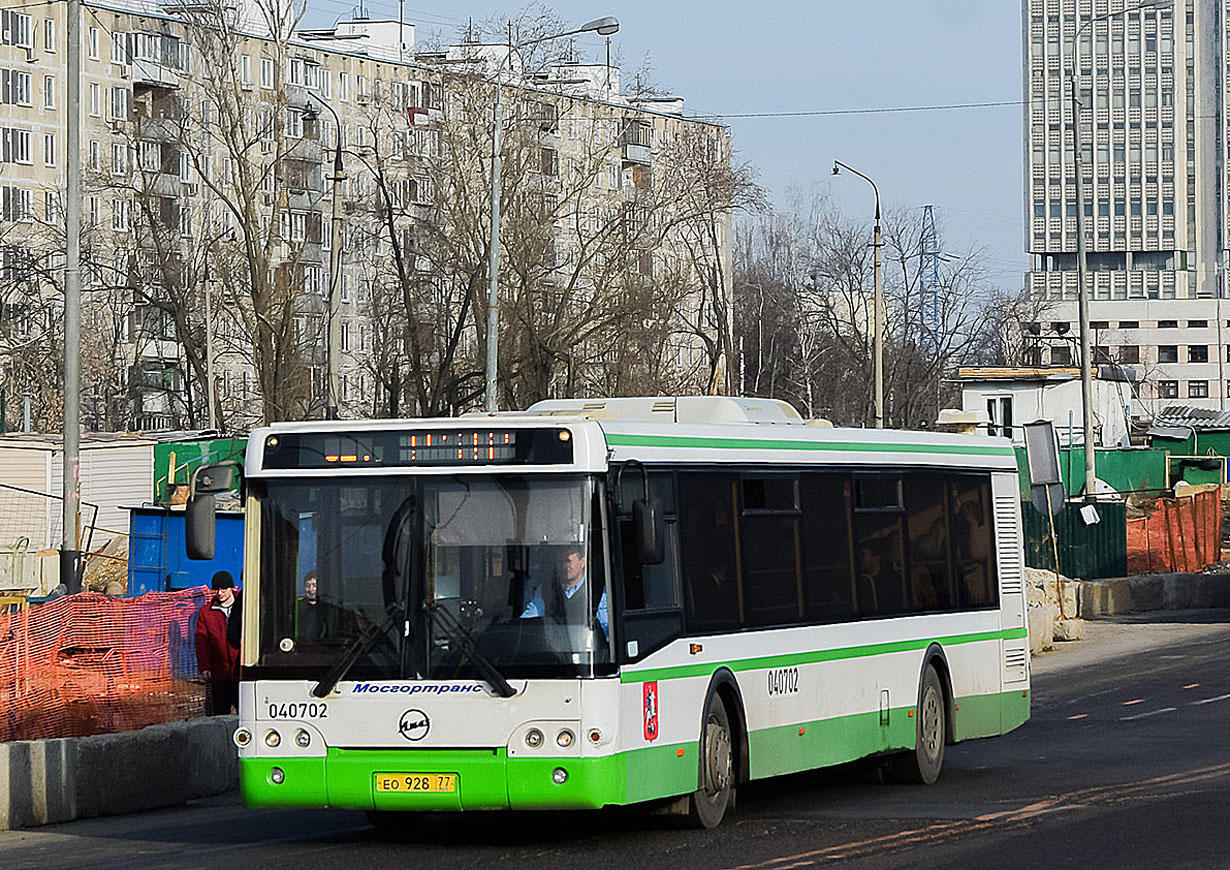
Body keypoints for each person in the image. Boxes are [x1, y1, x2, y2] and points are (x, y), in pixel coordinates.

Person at [521, 544, 608, 639]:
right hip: (554, 650)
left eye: (568, 561)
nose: (564, 566)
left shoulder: (597, 592)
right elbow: (528, 620)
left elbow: (607, 630)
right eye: (559, 562)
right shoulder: (546, 590)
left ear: (582, 562)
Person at [195, 570, 241, 716]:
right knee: (220, 714)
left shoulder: (243, 607)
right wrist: (204, 667)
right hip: (219, 674)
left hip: (241, 672)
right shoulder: (206, 612)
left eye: (223, 589)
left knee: (245, 713)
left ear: (231, 589)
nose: (219, 593)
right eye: (217, 590)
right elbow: (202, 642)